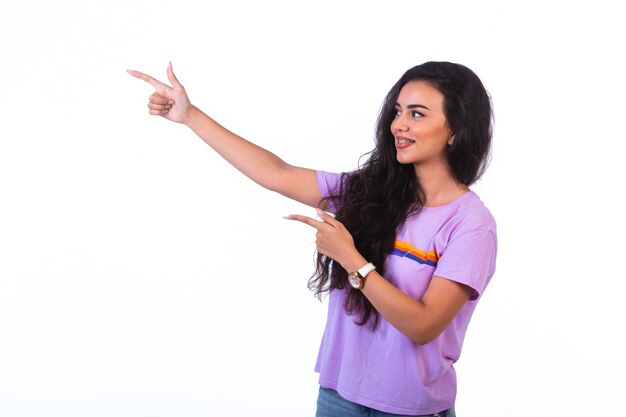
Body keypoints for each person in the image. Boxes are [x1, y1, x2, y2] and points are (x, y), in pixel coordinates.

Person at [127, 61, 497, 417]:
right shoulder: (369, 192)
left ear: (455, 130)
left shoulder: (470, 224)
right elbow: (276, 173)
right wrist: (191, 116)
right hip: (339, 398)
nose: (398, 124)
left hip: (410, 409)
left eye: (417, 114)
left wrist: (351, 259)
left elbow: (424, 325)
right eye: (398, 111)